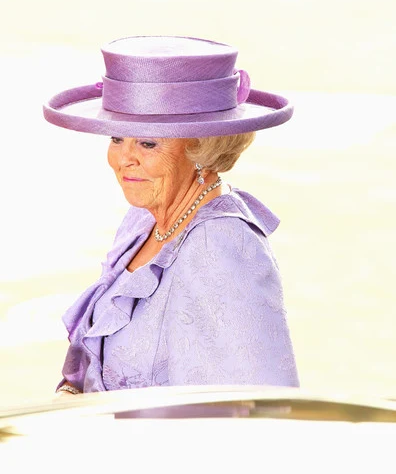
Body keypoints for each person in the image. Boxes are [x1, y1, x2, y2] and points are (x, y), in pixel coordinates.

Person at [43, 35, 299, 396]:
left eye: (148, 143)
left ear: (201, 148)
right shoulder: (143, 220)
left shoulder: (222, 244)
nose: (124, 159)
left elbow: (255, 405)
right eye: (117, 138)